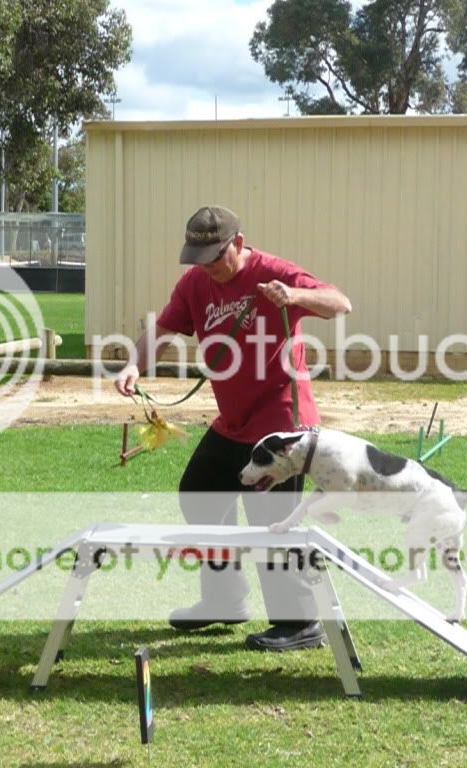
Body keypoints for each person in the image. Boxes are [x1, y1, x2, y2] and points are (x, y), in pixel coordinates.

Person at [115, 204, 352, 652]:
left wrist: (296, 297)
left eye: (214, 259)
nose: (207, 269)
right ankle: (224, 598)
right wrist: (133, 365)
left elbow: (341, 302)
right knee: (200, 490)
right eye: (198, 260)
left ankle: (299, 622)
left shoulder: (271, 272)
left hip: (282, 424)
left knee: (271, 521)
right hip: (233, 422)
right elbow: (163, 330)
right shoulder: (194, 284)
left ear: (238, 244)